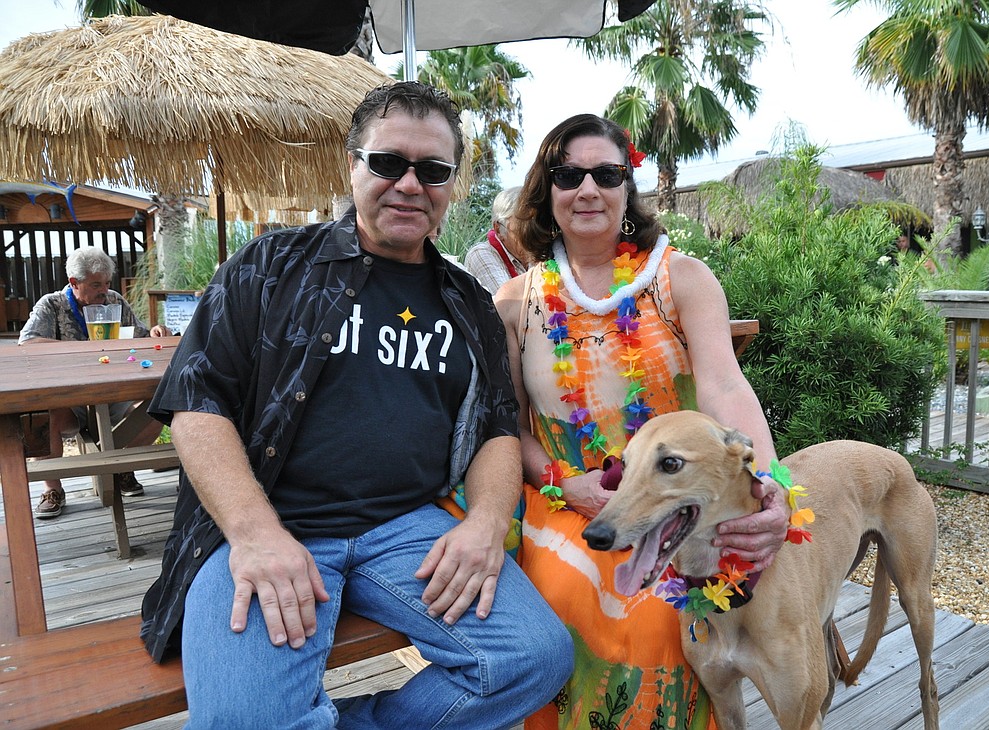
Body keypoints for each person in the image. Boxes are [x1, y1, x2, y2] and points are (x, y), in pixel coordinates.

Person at [139, 81, 573, 729]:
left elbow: (494, 432)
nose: (409, 184)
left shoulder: (468, 302)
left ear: (452, 183)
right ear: (352, 163)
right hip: (273, 522)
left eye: (432, 170)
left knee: (533, 658)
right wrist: (256, 535)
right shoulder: (269, 267)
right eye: (387, 162)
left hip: (405, 531)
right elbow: (197, 406)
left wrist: (485, 525)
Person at [495, 114, 791, 729]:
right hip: (568, 502)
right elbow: (508, 425)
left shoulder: (680, 279)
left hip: (679, 500)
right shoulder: (514, 303)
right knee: (574, 594)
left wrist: (773, 489)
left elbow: (725, 386)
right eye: (568, 174)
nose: (588, 189)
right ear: (546, 191)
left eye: (606, 173)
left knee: (674, 607)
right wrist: (558, 480)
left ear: (627, 188)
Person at [18, 246, 171, 519]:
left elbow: (140, 336)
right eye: (96, 284)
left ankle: (122, 467)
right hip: (68, 400)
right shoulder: (51, 304)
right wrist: (83, 348)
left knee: (157, 408)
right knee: (44, 415)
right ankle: (52, 488)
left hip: (114, 394)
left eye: (107, 282)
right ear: (74, 283)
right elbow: (27, 343)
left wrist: (155, 333)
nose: (104, 290)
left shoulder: (114, 302)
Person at [463, 186, 530, 292]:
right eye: (522, 225)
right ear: (498, 229)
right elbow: (508, 305)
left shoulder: (541, 257)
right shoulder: (481, 253)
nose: (532, 232)